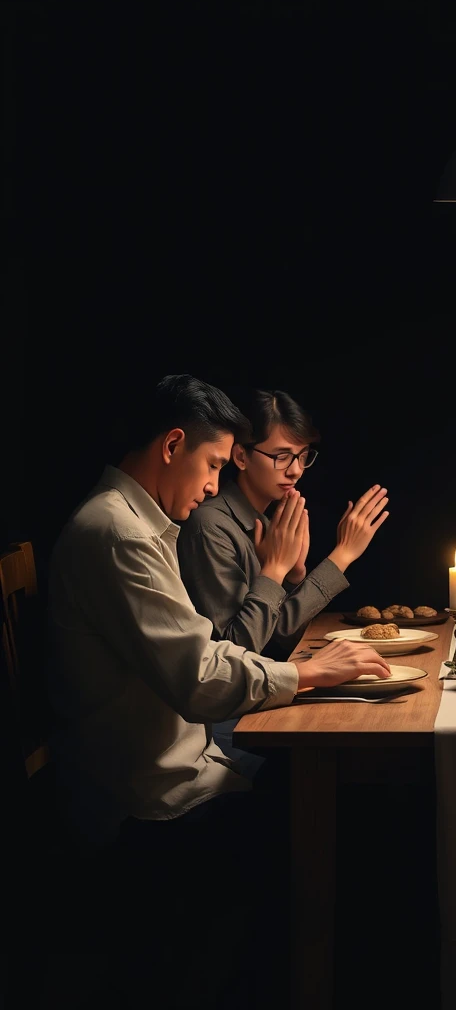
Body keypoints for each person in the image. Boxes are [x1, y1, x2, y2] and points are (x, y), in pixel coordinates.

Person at [44, 374, 392, 1007]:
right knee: (346, 822)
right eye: (211, 464)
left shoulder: (139, 522)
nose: (213, 485)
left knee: (330, 793)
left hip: (178, 760)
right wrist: (311, 671)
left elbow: (208, 650)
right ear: (173, 444)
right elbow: (204, 680)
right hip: (148, 793)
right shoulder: (119, 533)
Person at [175, 387, 389, 768]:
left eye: (303, 456)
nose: (295, 470)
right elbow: (241, 650)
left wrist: (296, 576)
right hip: (219, 723)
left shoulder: (269, 520)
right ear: (240, 455)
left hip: (257, 699)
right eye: (281, 456)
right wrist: (339, 557)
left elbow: (281, 634)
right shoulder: (210, 526)